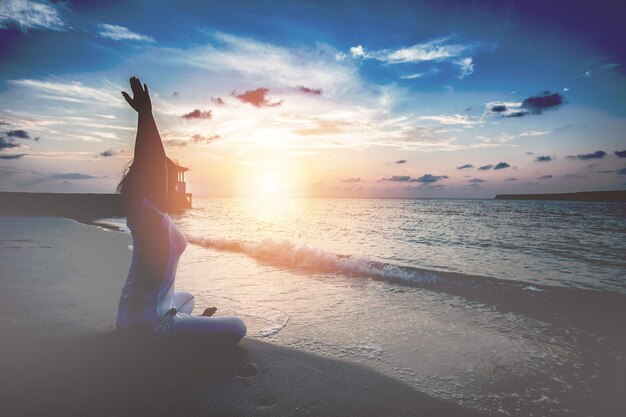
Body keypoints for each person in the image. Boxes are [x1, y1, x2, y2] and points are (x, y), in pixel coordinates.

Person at [116, 76, 246, 343]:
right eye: (167, 176)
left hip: (132, 316)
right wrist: (146, 116)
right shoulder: (150, 219)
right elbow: (149, 164)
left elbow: (150, 169)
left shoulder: (150, 219)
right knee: (238, 327)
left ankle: (183, 321)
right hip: (148, 327)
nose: (173, 180)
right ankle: (179, 327)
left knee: (187, 297)